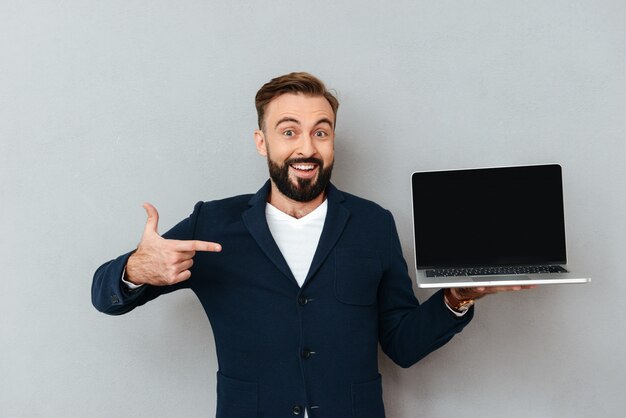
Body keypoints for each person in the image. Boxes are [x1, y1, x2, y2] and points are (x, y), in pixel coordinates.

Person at [92, 72, 532, 418]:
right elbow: (104, 297)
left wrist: (456, 298)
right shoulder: (215, 223)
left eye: (321, 132)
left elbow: (402, 345)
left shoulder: (373, 224)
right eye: (289, 132)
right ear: (262, 142)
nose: (307, 147)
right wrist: (134, 269)